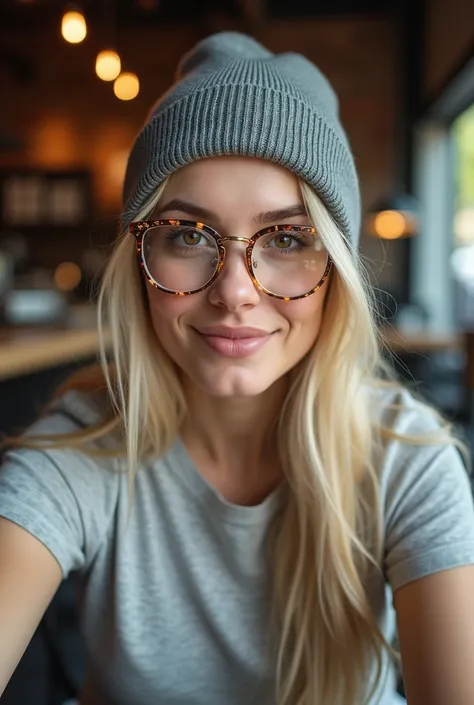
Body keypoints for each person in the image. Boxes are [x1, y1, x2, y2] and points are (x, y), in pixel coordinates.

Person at [1, 31, 474, 705]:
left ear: (336, 270)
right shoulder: (85, 447)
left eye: (287, 238)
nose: (234, 292)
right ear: (139, 259)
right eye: (188, 235)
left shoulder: (407, 461)